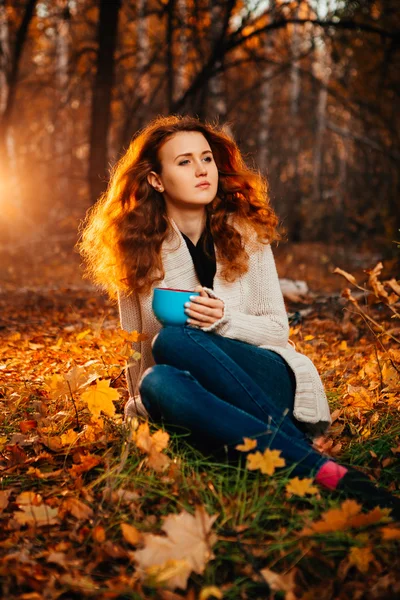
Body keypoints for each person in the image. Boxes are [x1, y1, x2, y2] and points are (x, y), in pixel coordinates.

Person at [78, 114, 399, 518]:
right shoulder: (139, 251)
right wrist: (139, 407)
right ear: (157, 180)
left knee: (174, 339)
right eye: (184, 162)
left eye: (206, 159)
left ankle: (306, 461)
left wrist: (223, 320)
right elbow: (137, 347)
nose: (201, 170)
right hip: (201, 392)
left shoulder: (247, 232)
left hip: (267, 378)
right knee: (158, 378)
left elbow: (278, 331)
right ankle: (322, 468)